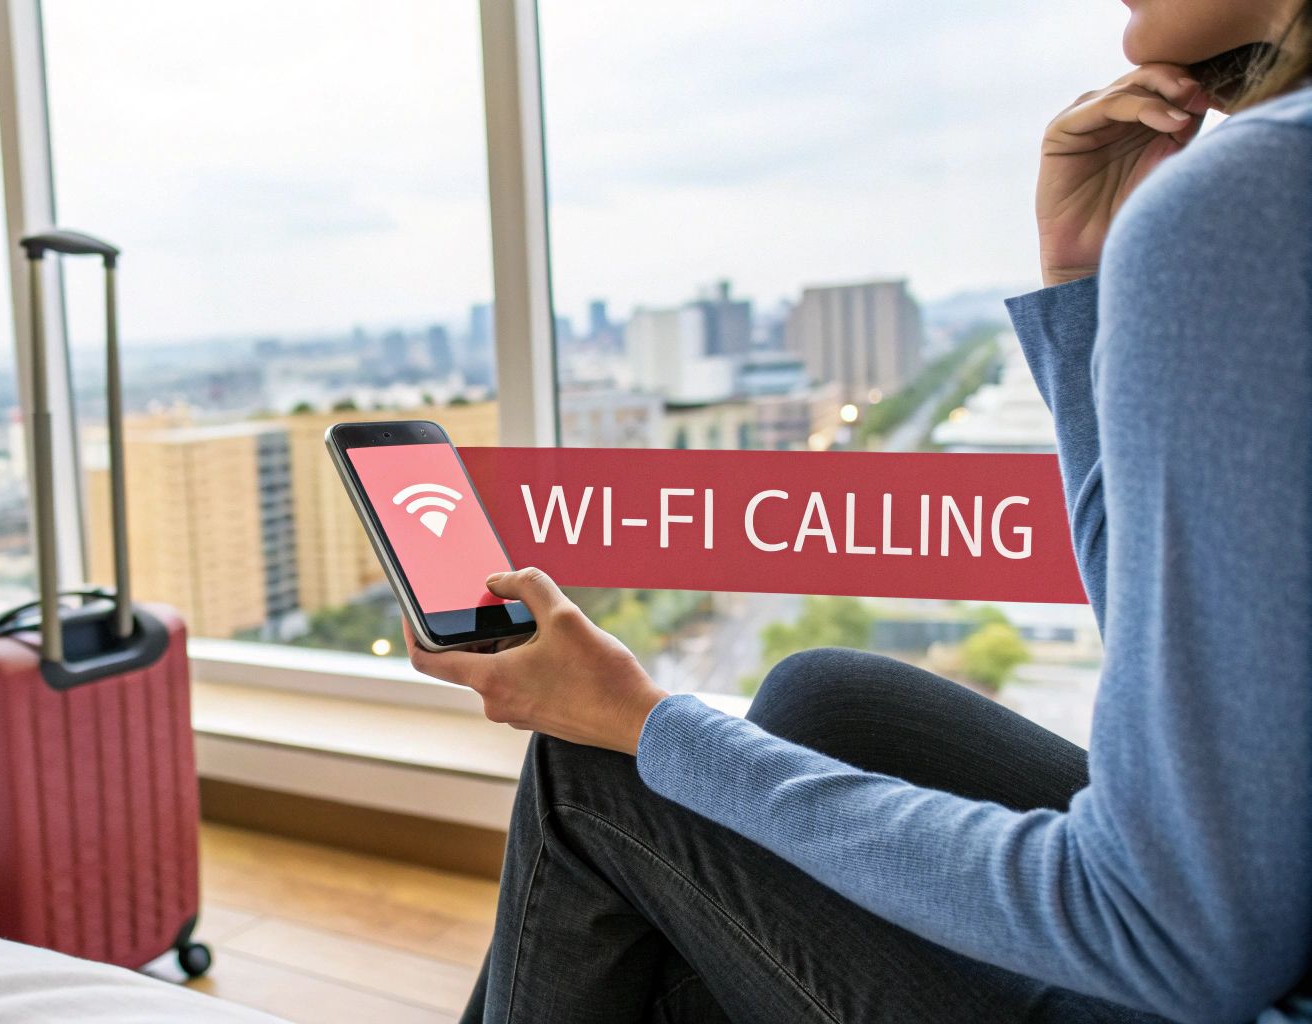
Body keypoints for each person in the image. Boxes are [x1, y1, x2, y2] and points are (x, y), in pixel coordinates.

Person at [407, 2, 1312, 1021]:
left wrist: (644, 720)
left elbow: (1168, 936)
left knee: (597, 775)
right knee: (828, 705)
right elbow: (1159, 626)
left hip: (1227, 974)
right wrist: (1077, 279)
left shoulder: (1247, 199)